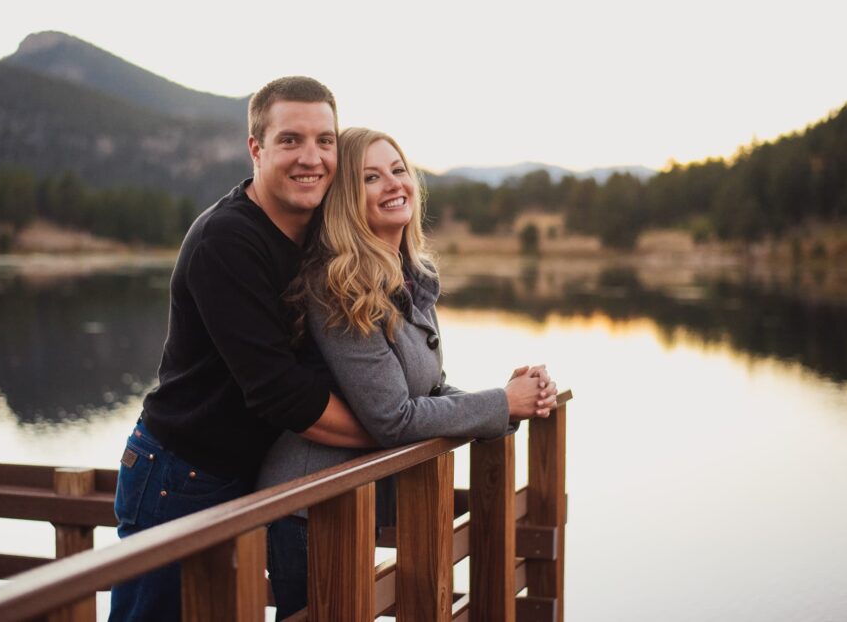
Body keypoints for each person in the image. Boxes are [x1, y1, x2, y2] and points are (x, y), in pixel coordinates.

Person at [256, 127, 559, 618]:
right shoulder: (338, 287)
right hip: (308, 508)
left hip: (355, 499)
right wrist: (503, 403)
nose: (393, 184)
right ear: (348, 201)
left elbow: (429, 389)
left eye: (398, 170)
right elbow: (392, 417)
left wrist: (511, 397)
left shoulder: (409, 274)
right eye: (371, 177)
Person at [109, 77, 375, 621]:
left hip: (247, 476)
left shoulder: (322, 232)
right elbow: (282, 395)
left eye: (325, 141)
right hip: (179, 474)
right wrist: (393, 428)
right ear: (256, 148)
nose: (312, 158)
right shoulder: (225, 242)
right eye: (290, 140)